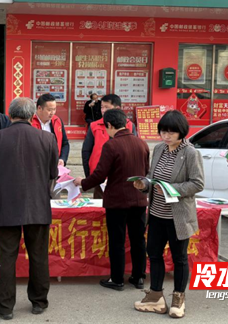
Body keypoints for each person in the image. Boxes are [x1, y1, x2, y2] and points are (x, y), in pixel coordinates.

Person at [0, 97, 59, 320]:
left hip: (7, 205)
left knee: (6, 257)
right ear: (31, 115)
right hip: (38, 204)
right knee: (38, 255)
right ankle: (39, 301)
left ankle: (5, 306)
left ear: (10, 114)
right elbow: (53, 173)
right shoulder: (47, 138)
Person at [131, 110, 204, 319]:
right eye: (163, 131)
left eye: (171, 132)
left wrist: (171, 189)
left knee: (179, 257)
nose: (166, 136)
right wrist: (144, 184)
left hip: (178, 216)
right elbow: (152, 177)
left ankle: (178, 298)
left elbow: (197, 183)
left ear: (181, 132)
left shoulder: (190, 153)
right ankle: (156, 296)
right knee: (154, 253)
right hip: (156, 213)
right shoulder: (159, 149)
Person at [73, 109, 150, 292]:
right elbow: (145, 171)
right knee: (138, 239)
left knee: (117, 240)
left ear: (108, 125)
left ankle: (117, 279)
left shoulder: (111, 145)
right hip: (139, 200)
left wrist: (82, 182)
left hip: (117, 201)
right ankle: (138, 277)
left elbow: (100, 175)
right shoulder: (142, 143)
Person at [82, 94, 136, 198]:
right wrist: (89, 175)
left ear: (117, 108)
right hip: (99, 176)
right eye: (102, 107)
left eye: (107, 107)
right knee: (99, 204)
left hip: (123, 176)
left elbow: (134, 150)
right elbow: (86, 151)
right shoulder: (94, 125)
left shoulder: (129, 125)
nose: (103, 110)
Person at [31, 93, 70, 166]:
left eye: (54, 109)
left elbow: (65, 143)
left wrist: (62, 159)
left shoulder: (57, 121)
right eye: (49, 110)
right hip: (36, 165)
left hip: (54, 165)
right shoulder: (30, 123)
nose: (52, 113)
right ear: (39, 108)